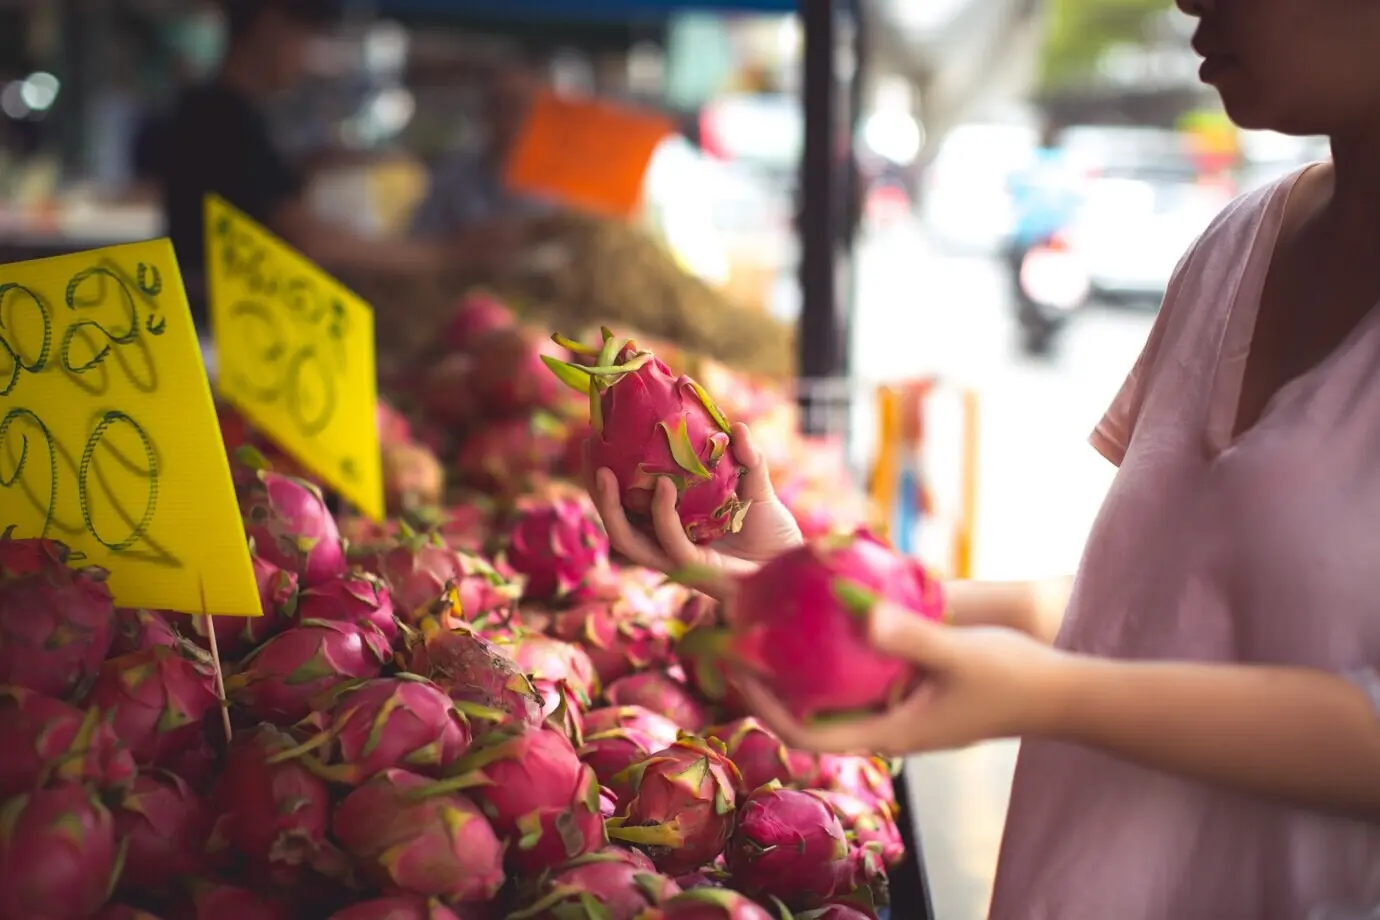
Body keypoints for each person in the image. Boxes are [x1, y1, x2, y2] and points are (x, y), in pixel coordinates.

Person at [587, 0, 1380, 915]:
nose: (1189, 0)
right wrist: (821, 589)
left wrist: (1046, 699)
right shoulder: (1235, 244)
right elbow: (1138, 607)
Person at [157, 0, 492, 328]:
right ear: (271, 24)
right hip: (220, 324)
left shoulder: (220, 112)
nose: (307, 56)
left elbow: (271, 180)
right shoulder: (224, 117)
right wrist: (444, 254)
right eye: (306, 37)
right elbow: (310, 240)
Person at [408, 54, 554, 239]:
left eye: (518, 108)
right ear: (484, 113)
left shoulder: (567, 190)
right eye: (497, 107)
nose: (507, 121)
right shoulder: (454, 177)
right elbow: (421, 242)